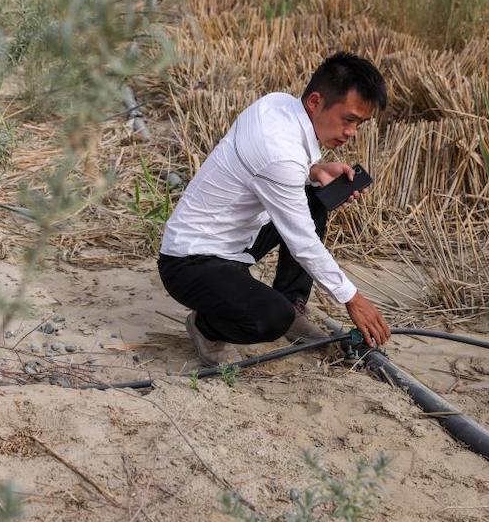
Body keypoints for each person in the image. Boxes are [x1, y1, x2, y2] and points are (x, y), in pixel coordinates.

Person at [157, 51, 392, 367]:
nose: (351, 132)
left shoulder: (278, 103)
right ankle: (206, 327)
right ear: (315, 102)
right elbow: (303, 243)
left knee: (314, 197)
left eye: (359, 123)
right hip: (191, 261)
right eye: (348, 119)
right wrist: (353, 298)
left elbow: (270, 168)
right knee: (270, 319)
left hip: (236, 241)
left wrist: (314, 170)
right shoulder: (279, 153)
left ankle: (292, 303)